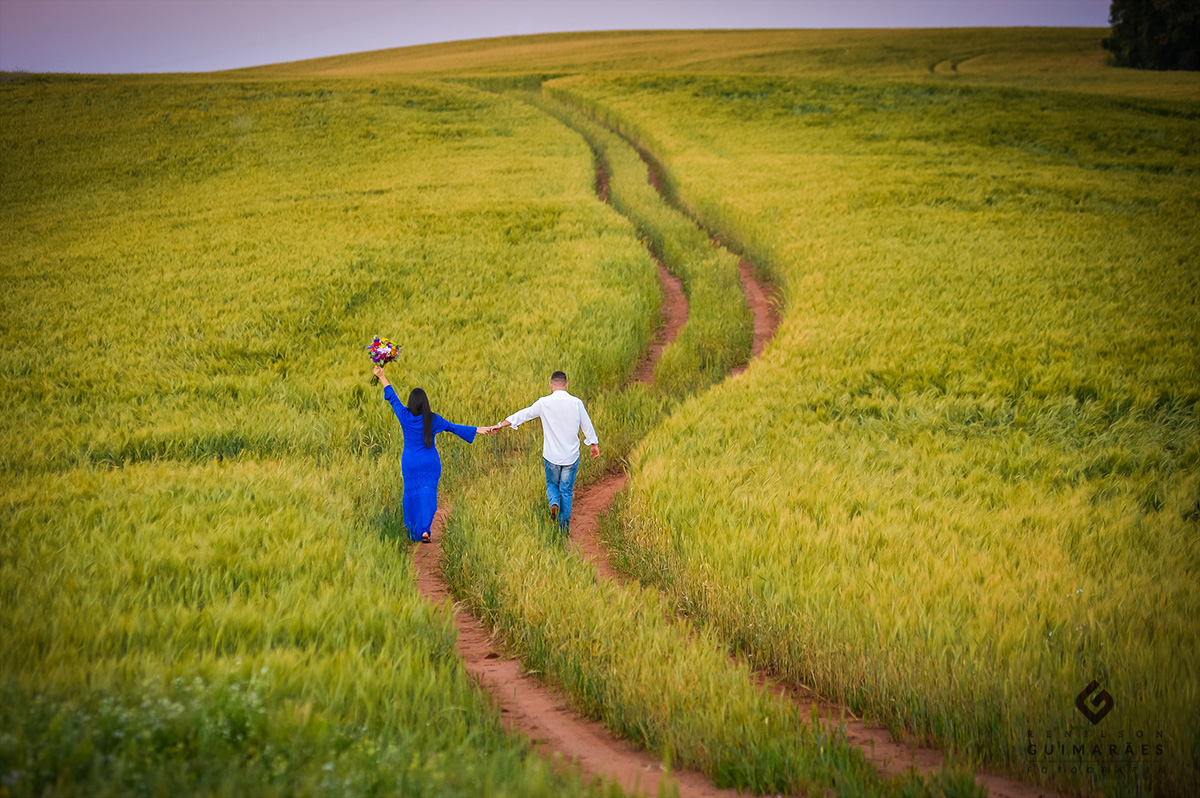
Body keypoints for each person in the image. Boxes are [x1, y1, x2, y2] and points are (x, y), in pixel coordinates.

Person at [375, 364, 495, 543]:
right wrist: (478, 429)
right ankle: (425, 529)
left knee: (410, 494)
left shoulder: (405, 416)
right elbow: (453, 427)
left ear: (410, 403)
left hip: (410, 462)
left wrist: (381, 376)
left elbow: (392, 398)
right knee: (428, 493)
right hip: (429, 462)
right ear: (425, 403)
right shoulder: (433, 419)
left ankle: (414, 530)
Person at [496, 370, 599, 533]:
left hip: (551, 456)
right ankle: (563, 528)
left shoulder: (543, 402)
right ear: (566, 385)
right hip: (571, 457)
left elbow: (524, 414)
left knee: (552, 483)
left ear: (551, 385)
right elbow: (586, 424)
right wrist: (593, 443)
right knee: (566, 490)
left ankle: (553, 503)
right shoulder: (576, 403)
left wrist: (501, 424)